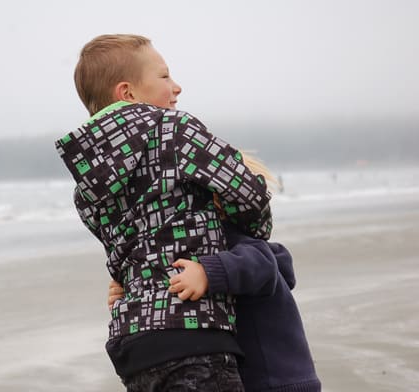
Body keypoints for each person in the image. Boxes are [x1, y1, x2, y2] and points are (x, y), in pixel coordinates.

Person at [55, 34, 272, 391]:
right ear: (127, 93)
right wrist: (248, 229)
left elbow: (124, 254)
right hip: (193, 331)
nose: (177, 87)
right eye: (165, 76)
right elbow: (248, 194)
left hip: (133, 342)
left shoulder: (88, 179)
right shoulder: (174, 131)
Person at [109, 224, 322, 392]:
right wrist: (129, 293)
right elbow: (168, 281)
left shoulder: (232, 238)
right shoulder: (187, 241)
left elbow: (263, 263)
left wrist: (208, 273)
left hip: (277, 381)